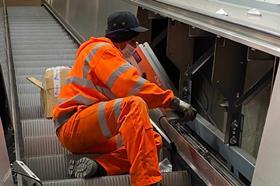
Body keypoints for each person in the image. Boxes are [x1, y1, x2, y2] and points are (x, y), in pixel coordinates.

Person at [52, 11, 196, 186]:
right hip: (74, 126)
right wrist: (172, 101)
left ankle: (100, 167)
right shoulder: (102, 51)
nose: (136, 45)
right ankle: (147, 181)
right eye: (133, 40)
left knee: (151, 140)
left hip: (92, 132)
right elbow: (130, 85)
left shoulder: (109, 54)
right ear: (121, 37)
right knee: (134, 105)